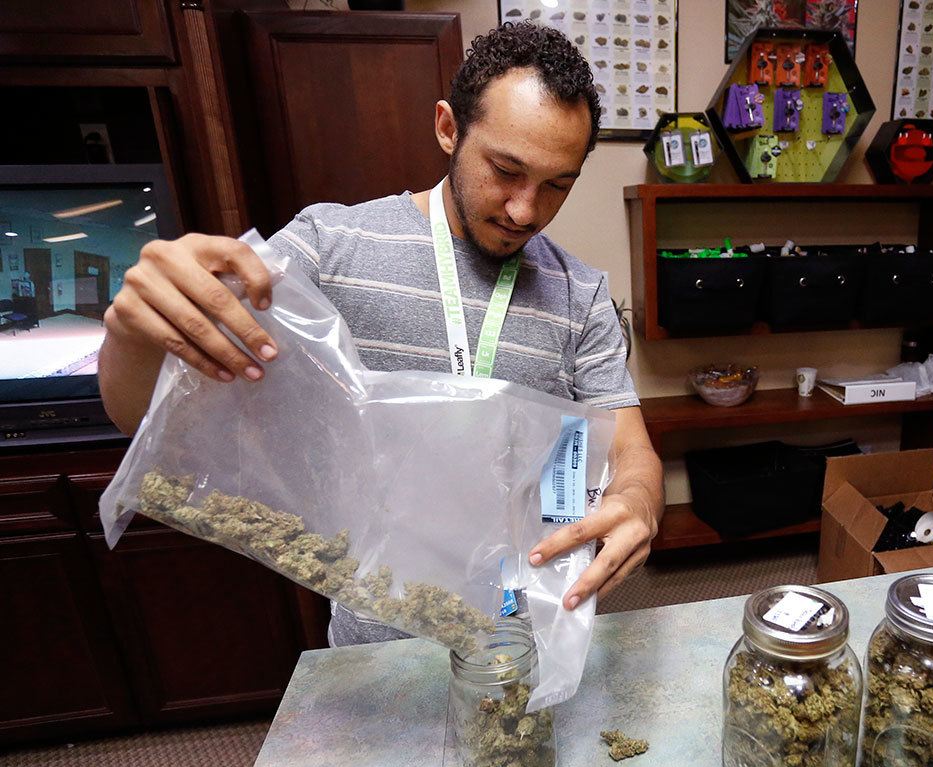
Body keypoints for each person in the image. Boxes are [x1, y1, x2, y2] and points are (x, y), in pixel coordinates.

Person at [98, 22, 664, 644]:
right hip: (377, 638)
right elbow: (145, 420)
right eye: (505, 171)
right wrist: (133, 335)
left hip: (523, 626)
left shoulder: (579, 295)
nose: (525, 210)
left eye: (557, 185)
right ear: (448, 128)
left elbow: (630, 451)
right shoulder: (328, 248)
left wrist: (637, 500)